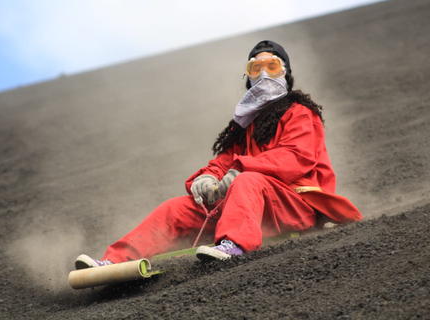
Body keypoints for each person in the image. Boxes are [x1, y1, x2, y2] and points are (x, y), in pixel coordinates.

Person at [74, 40, 362, 269]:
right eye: (255, 67)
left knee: (248, 182)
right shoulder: (245, 127)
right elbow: (222, 162)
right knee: (176, 208)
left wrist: (242, 169)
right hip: (247, 208)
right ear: (247, 76)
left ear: (285, 73)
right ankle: (114, 261)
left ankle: (235, 246)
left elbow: (295, 157)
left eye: (272, 66)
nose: (263, 74)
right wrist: (207, 177)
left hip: (294, 206)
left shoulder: (299, 112)